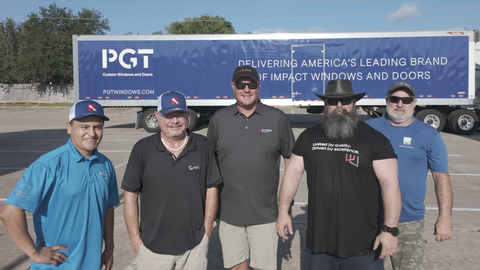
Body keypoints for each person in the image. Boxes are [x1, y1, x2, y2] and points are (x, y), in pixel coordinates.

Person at [276, 79, 402, 270]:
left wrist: (390, 230)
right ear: (325, 104)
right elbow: (292, 174)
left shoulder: (375, 139)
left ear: (354, 103)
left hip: (365, 246)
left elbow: (389, 184)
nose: (339, 106)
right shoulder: (308, 137)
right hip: (319, 247)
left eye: (345, 100)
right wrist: (283, 211)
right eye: (333, 101)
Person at [0, 100, 119, 269]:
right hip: (56, 266)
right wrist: (34, 253)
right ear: (69, 128)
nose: (91, 133)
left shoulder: (105, 165)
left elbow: (108, 208)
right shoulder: (48, 165)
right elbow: (9, 212)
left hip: (92, 265)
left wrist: (110, 248)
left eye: (97, 127)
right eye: (84, 126)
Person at [207, 65, 295, 270]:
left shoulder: (278, 119)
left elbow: (292, 167)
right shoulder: (219, 119)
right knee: (237, 267)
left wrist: (285, 208)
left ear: (259, 86)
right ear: (233, 86)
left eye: (251, 84)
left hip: (265, 214)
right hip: (228, 214)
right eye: (241, 84)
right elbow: (208, 166)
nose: (246, 89)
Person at [122, 91, 222, 270]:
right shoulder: (142, 149)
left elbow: (211, 188)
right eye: (168, 115)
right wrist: (136, 240)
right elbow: (130, 195)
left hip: (194, 247)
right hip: (152, 248)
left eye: (179, 115)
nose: (174, 120)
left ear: (188, 115)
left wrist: (206, 232)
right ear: (157, 116)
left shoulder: (202, 146)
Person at [366, 81, 453, 270]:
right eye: (395, 99)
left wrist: (444, 218)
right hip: (369, 219)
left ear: (414, 103)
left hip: (408, 222)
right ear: (386, 100)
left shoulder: (429, 135)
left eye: (406, 100)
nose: (400, 104)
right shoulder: (368, 129)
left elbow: (441, 177)